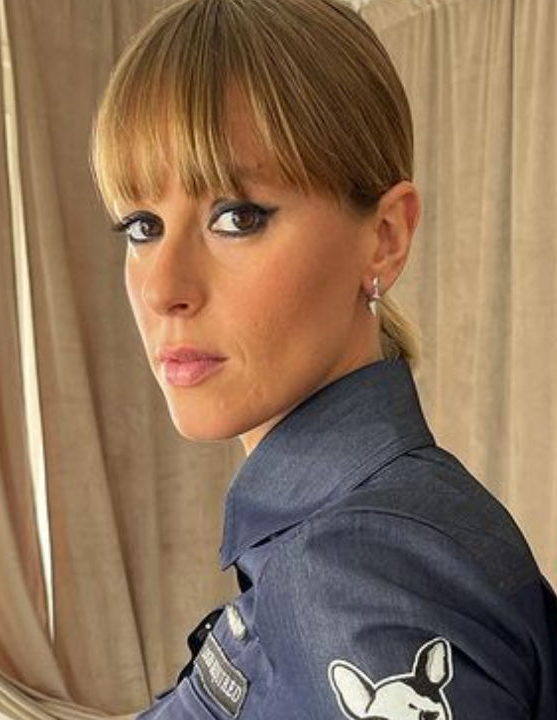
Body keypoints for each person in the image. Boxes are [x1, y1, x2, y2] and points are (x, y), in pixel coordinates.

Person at [90, 0, 557, 717]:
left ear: (385, 239)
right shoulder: (346, 541)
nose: (163, 289)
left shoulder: (362, 572)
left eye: (236, 217)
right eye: (142, 225)